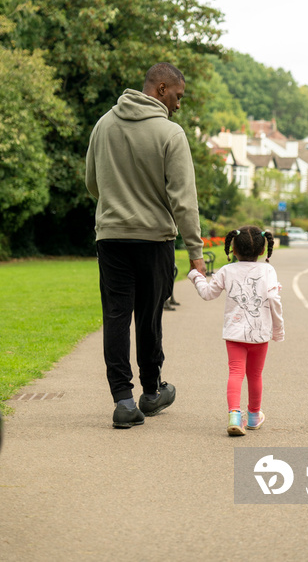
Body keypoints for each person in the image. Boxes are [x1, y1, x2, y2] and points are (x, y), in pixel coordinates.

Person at [86, 62, 206, 429]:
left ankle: (123, 400)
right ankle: (152, 392)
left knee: (116, 318)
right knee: (149, 317)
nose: (179, 104)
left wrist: (115, 206)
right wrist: (197, 253)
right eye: (178, 96)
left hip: (112, 238)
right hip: (154, 239)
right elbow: (183, 199)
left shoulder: (104, 124)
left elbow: (92, 182)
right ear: (161, 88)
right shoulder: (170, 133)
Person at [188, 226, 284, 436]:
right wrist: (277, 329)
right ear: (261, 251)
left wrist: (197, 276)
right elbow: (274, 299)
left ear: (233, 248)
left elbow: (207, 293)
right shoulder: (268, 270)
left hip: (234, 334)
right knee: (255, 375)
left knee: (236, 373)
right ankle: (253, 416)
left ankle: (234, 415)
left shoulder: (226, 271)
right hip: (260, 334)